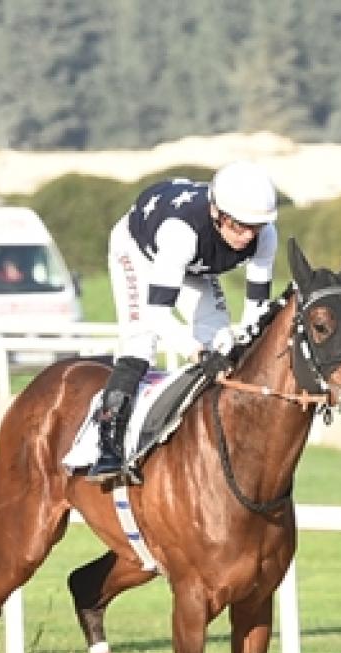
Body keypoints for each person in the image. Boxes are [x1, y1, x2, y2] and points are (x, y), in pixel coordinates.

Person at [87, 159, 279, 482]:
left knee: (221, 338)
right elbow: (158, 314)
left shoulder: (266, 235)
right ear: (218, 213)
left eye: (255, 228)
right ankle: (108, 444)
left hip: (192, 265)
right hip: (139, 251)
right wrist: (197, 354)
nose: (247, 237)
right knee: (141, 341)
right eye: (239, 226)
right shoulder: (181, 233)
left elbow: (255, 310)